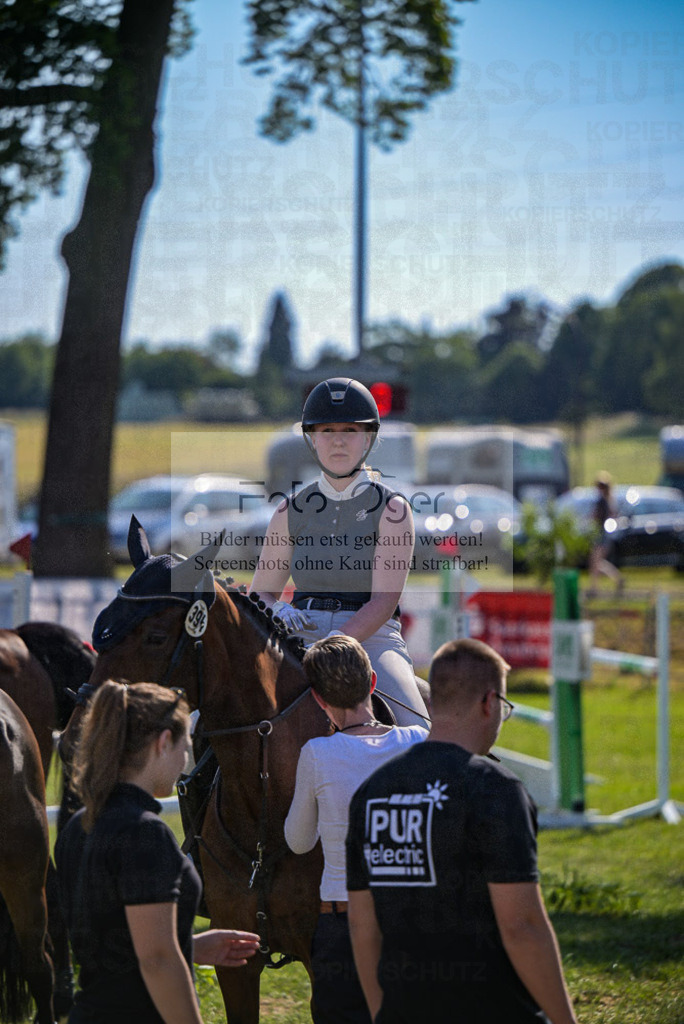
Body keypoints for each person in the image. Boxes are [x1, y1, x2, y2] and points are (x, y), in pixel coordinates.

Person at [346, 638, 579, 1024]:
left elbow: (361, 925)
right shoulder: (495, 788)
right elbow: (522, 927)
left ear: (433, 703)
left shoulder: (371, 793)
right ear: (490, 704)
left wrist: (381, 1013)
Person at [55, 681, 260, 1024]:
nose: (185, 759)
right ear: (164, 742)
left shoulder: (79, 825)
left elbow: (113, 942)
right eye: (185, 746)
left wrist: (187, 945)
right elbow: (157, 960)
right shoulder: (145, 832)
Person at [250, 377, 428, 727]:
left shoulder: (392, 509)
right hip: (298, 633)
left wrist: (336, 641)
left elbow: (384, 601)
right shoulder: (288, 510)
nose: (338, 440)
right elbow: (261, 591)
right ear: (312, 438)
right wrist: (277, 611)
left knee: (417, 729)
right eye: (327, 430)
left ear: (368, 438)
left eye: (350, 429)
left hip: (372, 638)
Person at [284, 636, 427, 1024]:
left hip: (343, 925)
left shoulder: (316, 753)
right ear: (374, 682)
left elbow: (298, 843)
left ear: (317, 698)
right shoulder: (417, 741)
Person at [588, 471, 623, 595]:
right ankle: (617, 578)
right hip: (604, 533)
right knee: (597, 562)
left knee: (595, 562)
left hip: (600, 533)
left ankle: (595, 587)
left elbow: (596, 516)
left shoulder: (602, 501)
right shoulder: (609, 500)